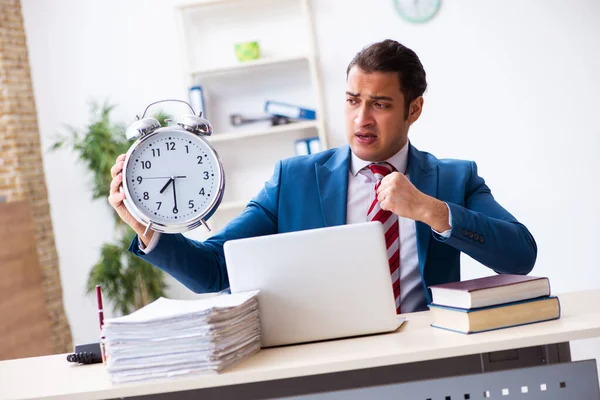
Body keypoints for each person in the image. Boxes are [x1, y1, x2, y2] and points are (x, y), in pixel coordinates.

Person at [108, 39, 537, 313]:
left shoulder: (453, 179)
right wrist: (145, 227)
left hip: (426, 354)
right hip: (327, 364)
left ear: (414, 109)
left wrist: (429, 209)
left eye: (380, 104)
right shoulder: (292, 181)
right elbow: (213, 271)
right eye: (352, 101)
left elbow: (520, 255)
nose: (361, 119)